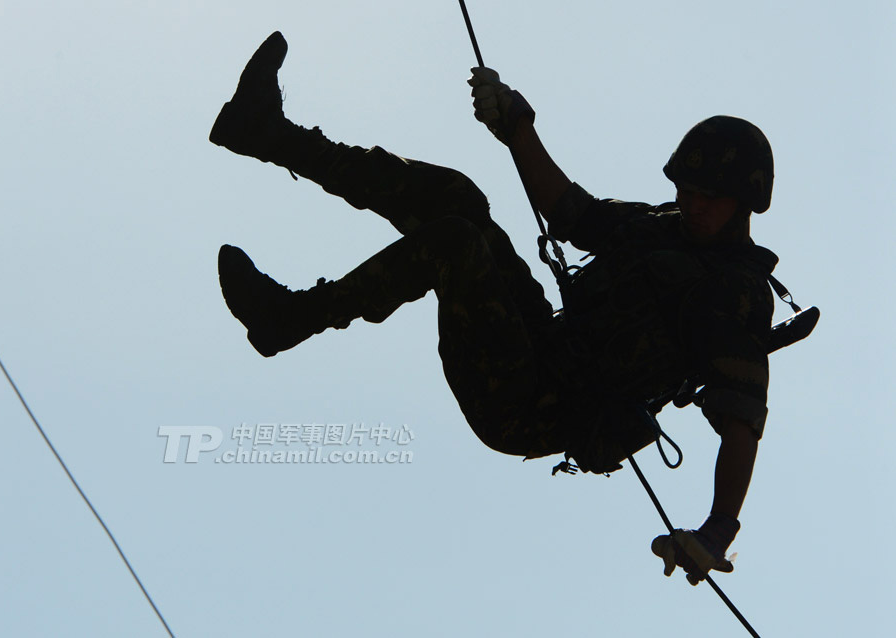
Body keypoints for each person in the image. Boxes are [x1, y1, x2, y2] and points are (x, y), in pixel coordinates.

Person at [209, 31, 778, 586]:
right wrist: (517, 127)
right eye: (688, 189)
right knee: (456, 197)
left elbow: (741, 422)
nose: (693, 204)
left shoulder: (734, 292)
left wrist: (714, 534)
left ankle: (287, 318)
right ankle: (261, 131)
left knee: (456, 241)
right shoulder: (662, 229)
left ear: (745, 202)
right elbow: (572, 213)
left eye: (711, 196)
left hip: (534, 405)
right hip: (538, 346)